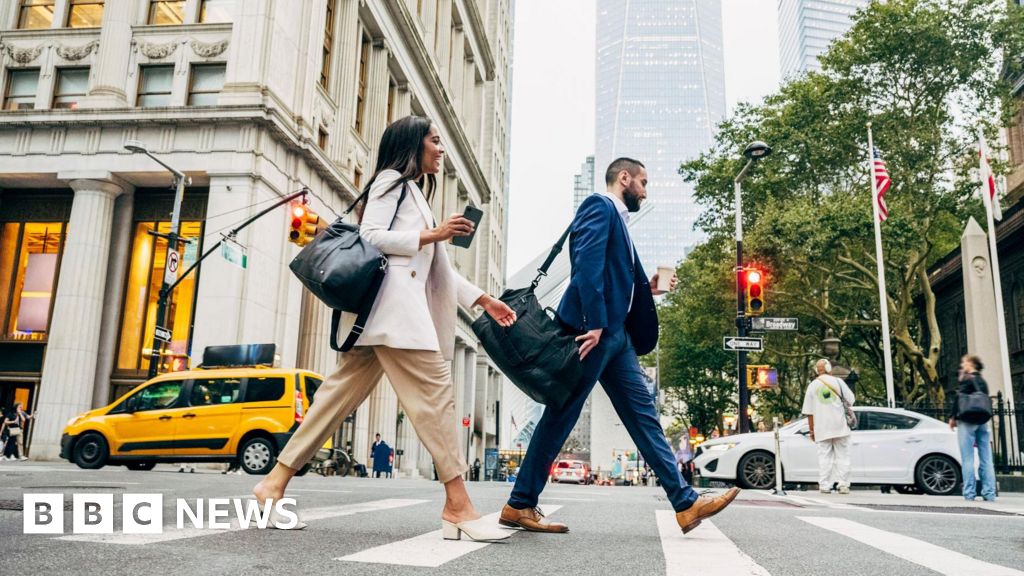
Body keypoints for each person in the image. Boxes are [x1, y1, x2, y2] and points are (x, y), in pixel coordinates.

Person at [253, 115, 516, 541]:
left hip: (382, 319)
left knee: (332, 402)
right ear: (413, 144)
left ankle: (272, 484)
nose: (440, 149)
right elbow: (372, 236)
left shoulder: (410, 190)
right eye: (434, 141)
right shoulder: (391, 181)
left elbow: (435, 269)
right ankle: (458, 504)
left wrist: (480, 298)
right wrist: (433, 234)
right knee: (435, 399)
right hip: (394, 316)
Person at [499, 158, 739, 536]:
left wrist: (651, 287)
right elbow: (587, 266)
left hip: (616, 336)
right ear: (623, 178)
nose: (645, 189)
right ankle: (520, 503)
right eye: (642, 181)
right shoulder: (599, 205)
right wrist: (593, 322)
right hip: (594, 333)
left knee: (643, 416)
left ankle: (686, 503)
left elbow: (615, 278)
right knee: (561, 414)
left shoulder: (620, 222)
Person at [802, 359, 855, 494]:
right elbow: (851, 400)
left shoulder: (812, 386)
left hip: (822, 427)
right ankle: (843, 485)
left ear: (816, 370)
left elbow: (809, 412)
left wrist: (812, 430)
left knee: (824, 457)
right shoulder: (839, 382)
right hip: (840, 426)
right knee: (843, 456)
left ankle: (825, 485)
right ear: (829, 368)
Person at [949, 354, 997, 502]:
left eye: (964, 363)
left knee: (968, 458)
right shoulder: (982, 381)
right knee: (986, 458)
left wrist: (952, 417)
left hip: (967, 420)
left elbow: (959, 397)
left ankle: (969, 493)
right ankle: (989, 493)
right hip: (982, 420)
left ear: (971, 365)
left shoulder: (967, 379)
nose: (962, 366)